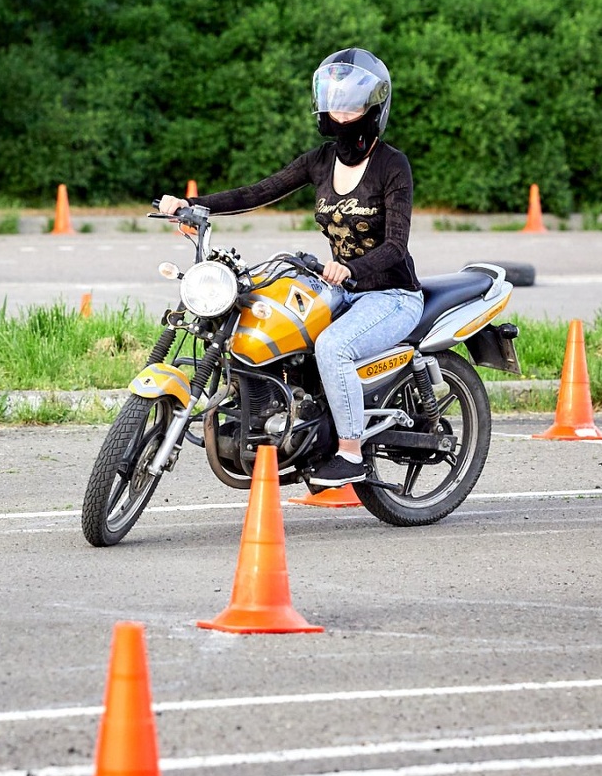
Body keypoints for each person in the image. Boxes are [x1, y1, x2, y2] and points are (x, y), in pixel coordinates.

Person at [158, 48, 423, 487]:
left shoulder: (392, 165)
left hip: (391, 293)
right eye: (333, 102)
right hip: (340, 285)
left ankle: (353, 453)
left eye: (352, 103)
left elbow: (396, 245)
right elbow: (257, 192)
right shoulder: (319, 160)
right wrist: (193, 205)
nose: (341, 113)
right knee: (269, 312)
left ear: (374, 107)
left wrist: (351, 268)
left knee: (333, 347)